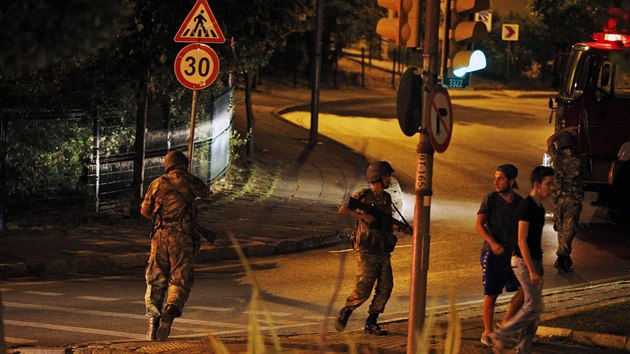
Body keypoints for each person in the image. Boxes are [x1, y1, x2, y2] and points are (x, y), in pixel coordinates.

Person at [140, 151, 211, 341]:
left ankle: (153, 322)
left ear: (167, 165)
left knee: (156, 279)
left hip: (159, 236)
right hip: (182, 238)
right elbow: (208, 195)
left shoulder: (157, 183)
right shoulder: (190, 180)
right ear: (184, 164)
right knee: (180, 278)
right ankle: (170, 312)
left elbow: (145, 211)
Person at [334, 161, 412, 335]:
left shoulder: (386, 198)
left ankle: (371, 322)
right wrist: (363, 216)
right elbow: (343, 209)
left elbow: (386, 221)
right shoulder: (364, 194)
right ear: (378, 177)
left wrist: (401, 228)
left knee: (386, 286)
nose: (389, 179)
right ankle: (347, 310)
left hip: (382, 249)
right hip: (367, 248)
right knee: (364, 286)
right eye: (386, 175)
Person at [488, 166, 555, 354]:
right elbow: (521, 240)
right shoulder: (526, 207)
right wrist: (532, 270)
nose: (552, 188)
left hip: (535, 261)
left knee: (533, 309)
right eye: (548, 184)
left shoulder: (539, 207)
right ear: (537, 185)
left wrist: (538, 267)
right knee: (534, 306)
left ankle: (523, 348)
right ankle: (500, 334)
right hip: (523, 262)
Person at [476, 164, 524, 347]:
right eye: (495, 177)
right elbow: (479, 224)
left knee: (526, 288)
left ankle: (504, 326)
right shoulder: (491, 199)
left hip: (511, 254)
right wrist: (493, 243)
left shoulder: (520, 203)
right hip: (492, 252)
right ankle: (487, 333)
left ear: (511, 181)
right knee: (491, 293)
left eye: (501, 178)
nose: (496, 181)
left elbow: (520, 231)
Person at [547, 127, 585, 272]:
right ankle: (563, 254)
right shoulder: (580, 159)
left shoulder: (556, 157)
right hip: (573, 199)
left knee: (562, 229)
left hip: (558, 200)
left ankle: (563, 257)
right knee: (569, 229)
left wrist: (564, 131)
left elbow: (549, 140)